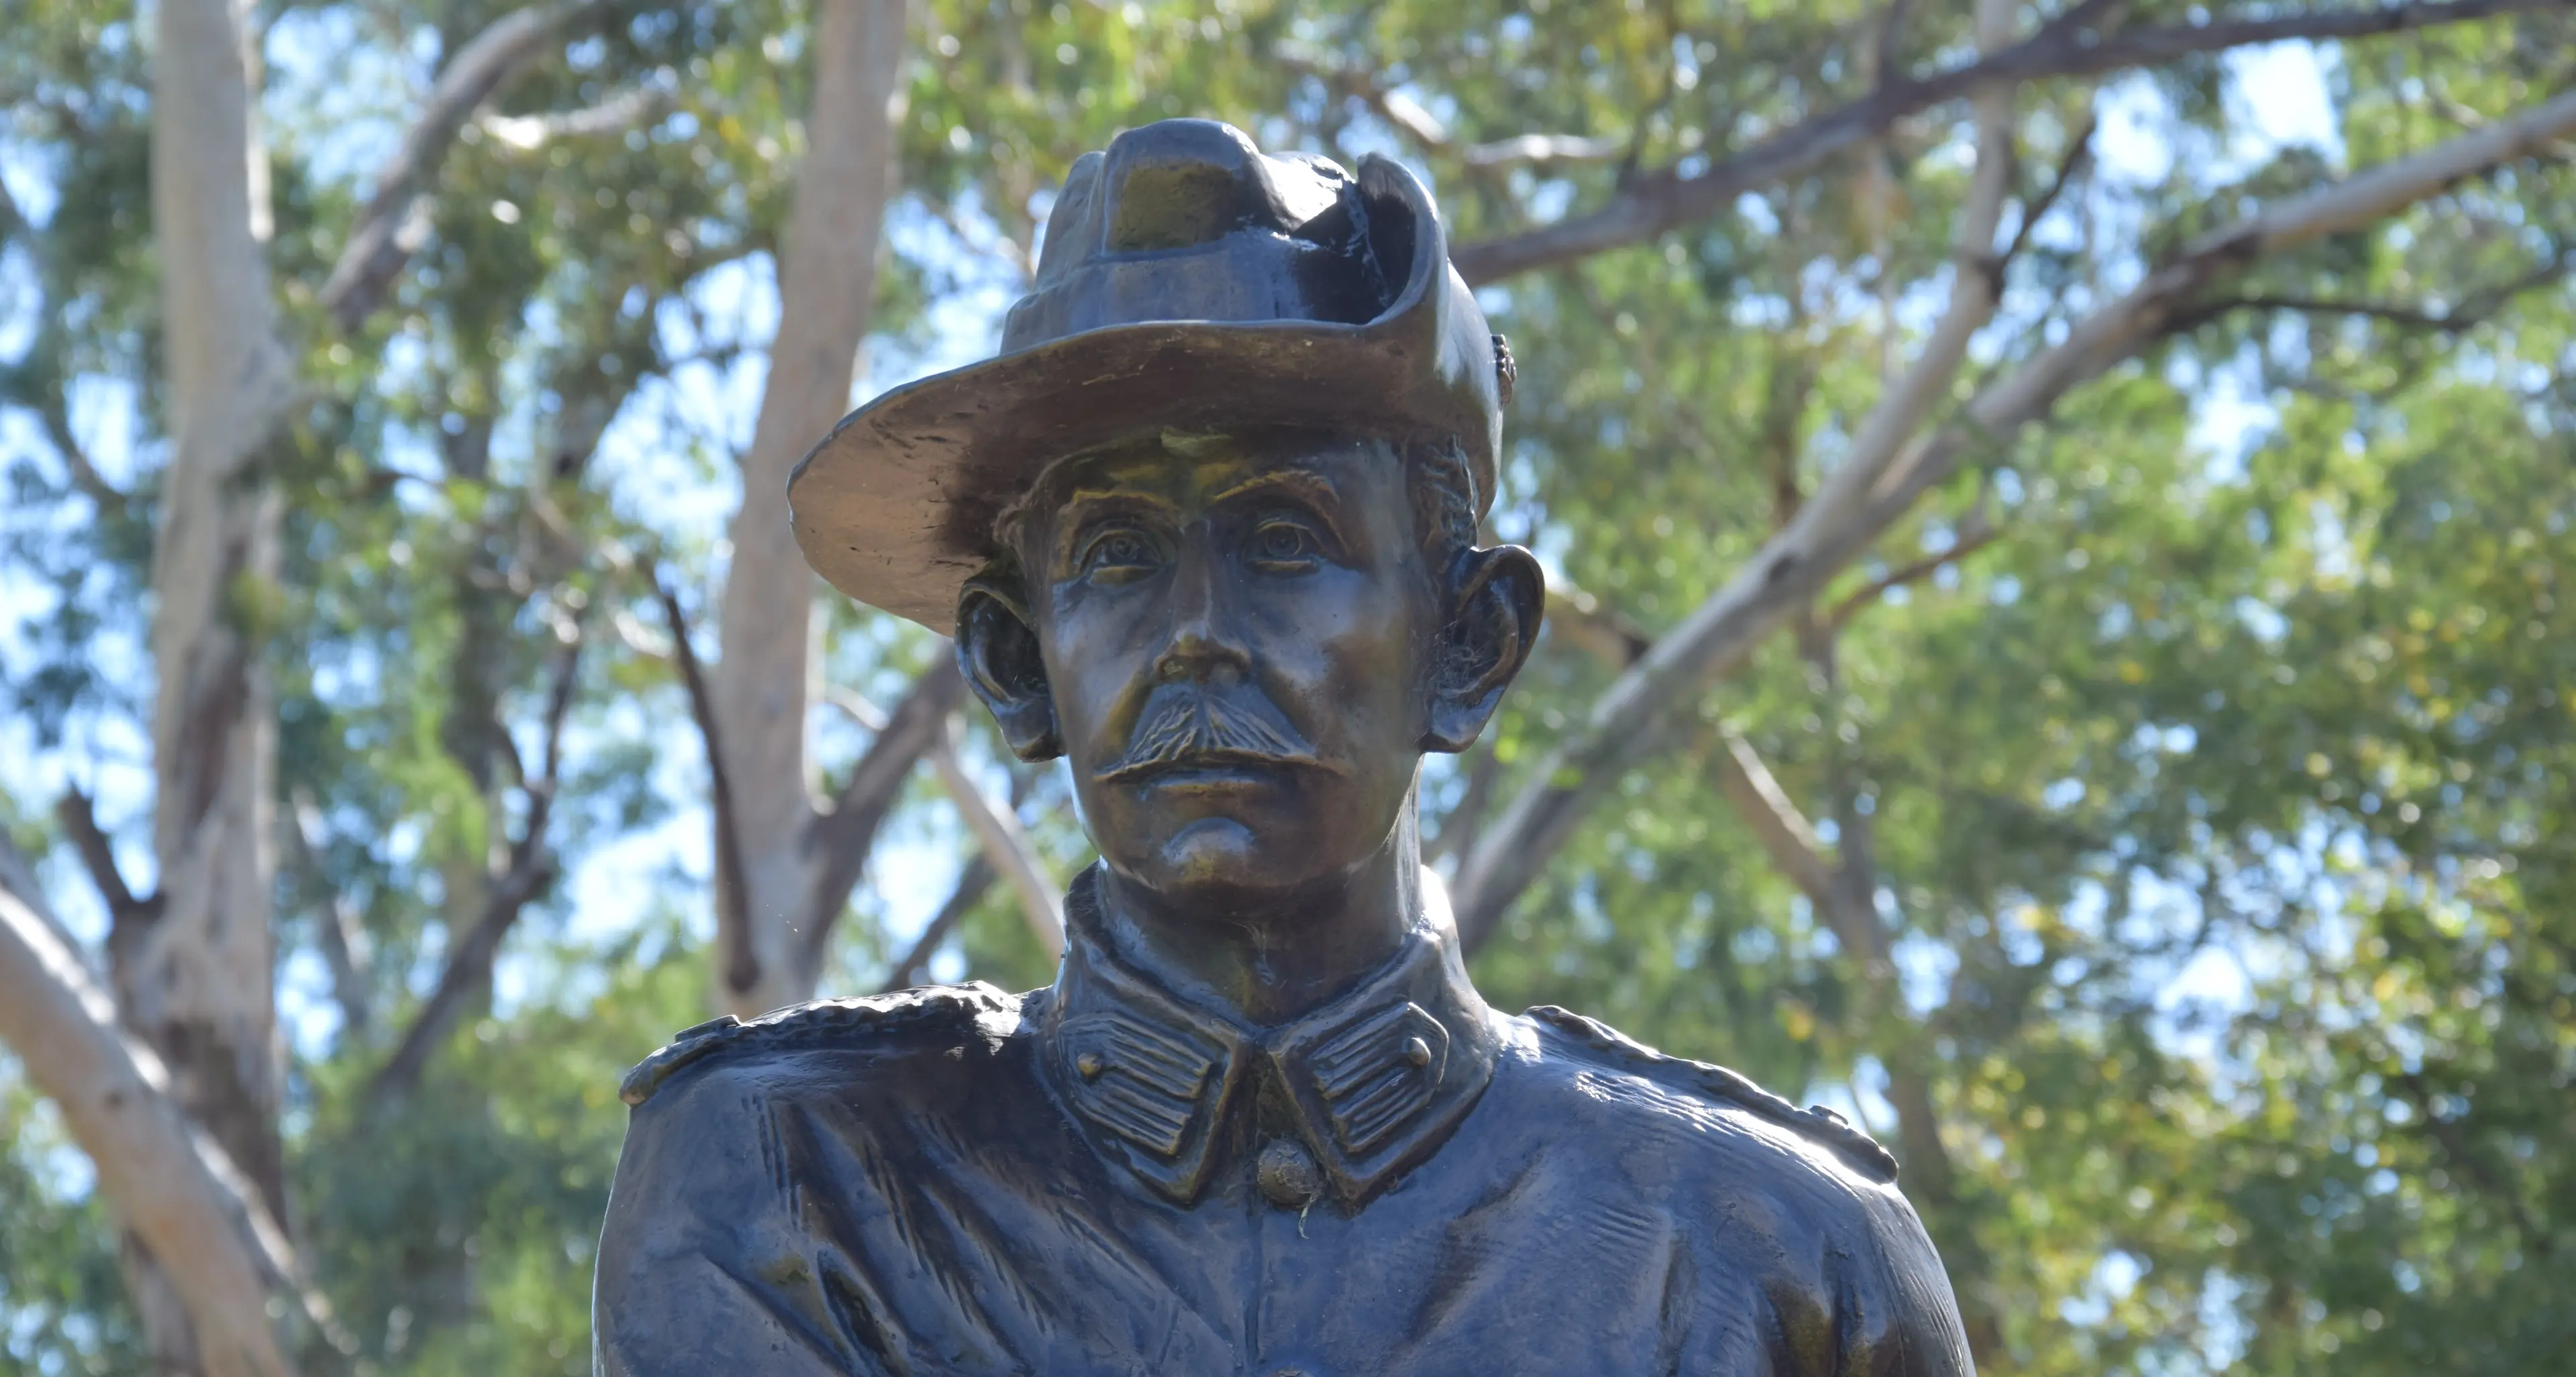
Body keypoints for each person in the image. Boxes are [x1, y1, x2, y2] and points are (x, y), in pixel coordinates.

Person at [593, 118, 1975, 1377]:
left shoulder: (1779, 1261)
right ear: (1016, 667)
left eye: (1284, 541)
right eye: (1118, 556)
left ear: (1470, 645)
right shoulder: (785, 1186)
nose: (1196, 636)